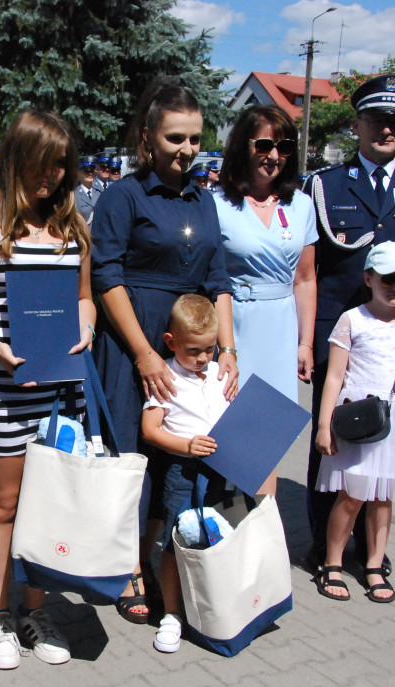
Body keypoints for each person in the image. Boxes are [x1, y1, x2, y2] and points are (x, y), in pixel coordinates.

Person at [0, 110, 95, 671]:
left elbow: (84, 296)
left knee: (47, 505)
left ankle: (36, 611)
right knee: (4, 505)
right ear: (15, 157)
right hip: (1, 391)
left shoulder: (72, 225)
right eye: (41, 162)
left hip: (57, 392)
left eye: (60, 164)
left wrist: (87, 324)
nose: (51, 175)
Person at [91, 78, 237, 625]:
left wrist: (227, 348)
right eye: (176, 138)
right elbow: (105, 276)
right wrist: (144, 355)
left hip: (190, 349)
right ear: (149, 138)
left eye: (196, 139)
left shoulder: (205, 201)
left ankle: (154, 553)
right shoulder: (122, 196)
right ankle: (127, 565)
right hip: (134, 342)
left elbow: (219, 277)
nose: (187, 150)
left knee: (173, 452)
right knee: (132, 455)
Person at [302, 74, 395, 575]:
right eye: (378, 120)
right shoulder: (325, 186)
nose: (388, 129)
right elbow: (310, 271)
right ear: (359, 123)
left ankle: (371, 553)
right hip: (340, 342)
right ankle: (327, 548)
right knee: (334, 442)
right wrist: (308, 341)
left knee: (388, 443)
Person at [314, 242, 395, 604]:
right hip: (361, 419)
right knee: (352, 496)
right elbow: (334, 376)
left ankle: (374, 565)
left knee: (384, 499)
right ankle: (332, 562)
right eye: (389, 278)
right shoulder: (352, 320)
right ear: (368, 278)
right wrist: (323, 424)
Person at [214, 105, 318, 495]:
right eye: (264, 144)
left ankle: (258, 531)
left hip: (279, 330)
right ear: (243, 145)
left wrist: (304, 342)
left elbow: (305, 280)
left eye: (284, 147)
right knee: (226, 431)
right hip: (233, 326)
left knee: (266, 441)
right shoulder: (217, 204)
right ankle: (220, 528)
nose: (273, 156)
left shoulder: (302, 205)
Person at [140, 294, 230, 653]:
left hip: (222, 471)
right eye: (194, 350)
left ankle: (209, 608)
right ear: (170, 342)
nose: (203, 358)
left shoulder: (219, 371)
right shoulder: (165, 375)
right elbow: (150, 430)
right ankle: (172, 614)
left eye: (210, 348)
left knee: (217, 538)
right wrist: (185, 445)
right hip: (184, 473)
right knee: (177, 543)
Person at [75, 154, 101, 221]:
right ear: (80, 172)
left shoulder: (99, 192)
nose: (90, 174)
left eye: (92, 171)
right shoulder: (75, 195)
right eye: (87, 171)